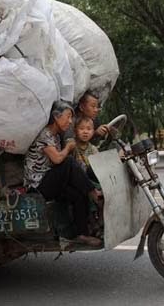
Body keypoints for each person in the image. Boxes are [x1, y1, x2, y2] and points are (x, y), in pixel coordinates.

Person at [23, 100, 103, 247]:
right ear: (56, 116)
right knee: (68, 161)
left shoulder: (56, 136)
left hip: (51, 182)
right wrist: (68, 148)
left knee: (79, 194)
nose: (70, 121)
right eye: (68, 117)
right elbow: (58, 159)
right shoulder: (44, 135)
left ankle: (82, 234)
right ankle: (94, 193)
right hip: (38, 186)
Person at [73, 116, 104, 237]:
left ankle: (101, 221)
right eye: (81, 128)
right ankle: (92, 224)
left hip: (91, 179)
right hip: (79, 181)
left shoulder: (94, 149)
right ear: (75, 130)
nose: (85, 131)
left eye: (89, 129)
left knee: (103, 191)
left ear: (93, 131)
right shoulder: (72, 146)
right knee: (89, 195)